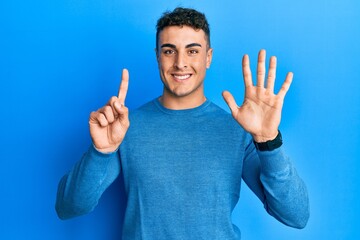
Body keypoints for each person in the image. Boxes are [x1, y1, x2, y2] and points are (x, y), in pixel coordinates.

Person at [56, 7, 309, 239]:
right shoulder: (124, 128)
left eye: (192, 50)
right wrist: (100, 152)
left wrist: (268, 141)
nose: (180, 63)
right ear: (157, 57)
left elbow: (296, 216)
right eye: (169, 51)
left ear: (208, 57)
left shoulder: (238, 130)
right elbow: (69, 207)